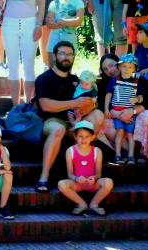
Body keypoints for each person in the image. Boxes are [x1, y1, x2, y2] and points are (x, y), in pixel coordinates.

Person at [34, 41, 103, 192]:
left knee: (98, 115)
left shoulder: (76, 80)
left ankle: (85, 171)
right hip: (52, 121)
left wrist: (88, 106)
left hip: (75, 121)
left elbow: (91, 102)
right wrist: (74, 103)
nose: (66, 57)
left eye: (70, 54)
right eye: (62, 54)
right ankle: (43, 178)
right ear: (54, 56)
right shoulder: (44, 79)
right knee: (58, 129)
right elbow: (45, 105)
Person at [0, 0, 47, 105]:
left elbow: (41, 1)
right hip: (9, 23)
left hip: (30, 23)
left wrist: (39, 24)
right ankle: (15, 106)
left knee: (28, 65)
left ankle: (28, 104)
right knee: (12, 65)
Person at [96, 53, 148, 160]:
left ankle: (147, 154)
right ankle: (130, 152)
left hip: (138, 114)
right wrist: (117, 114)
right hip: (117, 116)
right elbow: (103, 105)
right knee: (102, 123)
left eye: (111, 65)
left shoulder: (138, 79)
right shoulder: (106, 84)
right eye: (105, 69)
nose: (110, 70)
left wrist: (133, 111)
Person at [57, 120, 113, 216]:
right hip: (77, 183)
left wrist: (94, 178)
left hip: (93, 184)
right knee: (61, 184)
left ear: (92, 137)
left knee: (108, 182)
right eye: (80, 136)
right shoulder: (70, 151)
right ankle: (81, 204)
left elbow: (98, 174)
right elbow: (70, 174)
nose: (84, 139)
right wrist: (76, 178)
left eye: (87, 136)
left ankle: (94, 204)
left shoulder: (97, 151)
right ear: (75, 137)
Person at [105, 53, 145, 165]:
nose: (127, 69)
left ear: (134, 69)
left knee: (130, 134)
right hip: (117, 111)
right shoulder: (115, 80)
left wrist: (137, 99)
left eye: (130, 67)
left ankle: (131, 156)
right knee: (120, 132)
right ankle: (117, 155)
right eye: (124, 66)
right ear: (119, 67)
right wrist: (106, 109)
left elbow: (141, 97)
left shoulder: (136, 81)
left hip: (130, 113)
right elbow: (108, 94)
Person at [45, 0, 84, 68]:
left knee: (67, 68)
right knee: (52, 68)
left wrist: (61, 21)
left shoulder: (78, 2)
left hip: (70, 38)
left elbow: (78, 21)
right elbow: (49, 23)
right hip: (54, 38)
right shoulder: (53, 3)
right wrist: (69, 22)